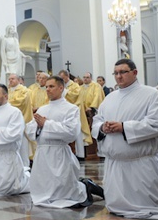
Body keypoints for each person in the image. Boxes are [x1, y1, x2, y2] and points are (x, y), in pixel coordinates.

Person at [92, 59, 158, 219]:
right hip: (116, 163)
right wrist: (102, 127)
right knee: (117, 207)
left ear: (134, 73)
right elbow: (97, 119)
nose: (119, 76)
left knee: (150, 204)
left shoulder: (150, 94)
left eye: (123, 72)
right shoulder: (110, 97)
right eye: (116, 73)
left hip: (141, 163)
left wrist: (124, 127)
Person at [26, 76, 102, 208]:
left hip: (59, 152)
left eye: (51, 86)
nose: (48, 89)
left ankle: (86, 187)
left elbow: (71, 132)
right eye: (47, 87)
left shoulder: (71, 109)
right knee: (44, 187)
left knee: (63, 191)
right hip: (43, 151)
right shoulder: (42, 110)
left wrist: (46, 124)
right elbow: (30, 130)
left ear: (61, 88)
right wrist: (38, 126)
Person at [7, 73, 33, 164]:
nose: (10, 80)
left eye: (13, 79)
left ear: (18, 80)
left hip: (22, 120)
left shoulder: (24, 90)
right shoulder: (8, 90)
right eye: (9, 79)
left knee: (23, 145)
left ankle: (25, 165)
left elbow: (20, 102)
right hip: (9, 121)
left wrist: (6, 103)